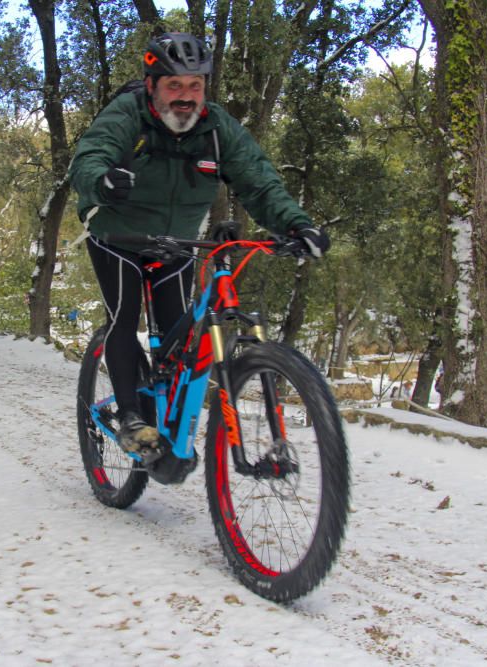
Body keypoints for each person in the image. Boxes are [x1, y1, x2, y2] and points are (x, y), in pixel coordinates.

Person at [69, 32, 329, 460]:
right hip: (119, 234)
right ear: (152, 85)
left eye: (195, 86)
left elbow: (259, 181)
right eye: (174, 85)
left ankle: (166, 423)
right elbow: (91, 155)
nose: (185, 97)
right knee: (124, 316)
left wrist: (297, 225)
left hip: (178, 242)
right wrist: (102, 181)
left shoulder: (216, 127)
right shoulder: (127, 115)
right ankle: (132, 418)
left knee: (179, 338)